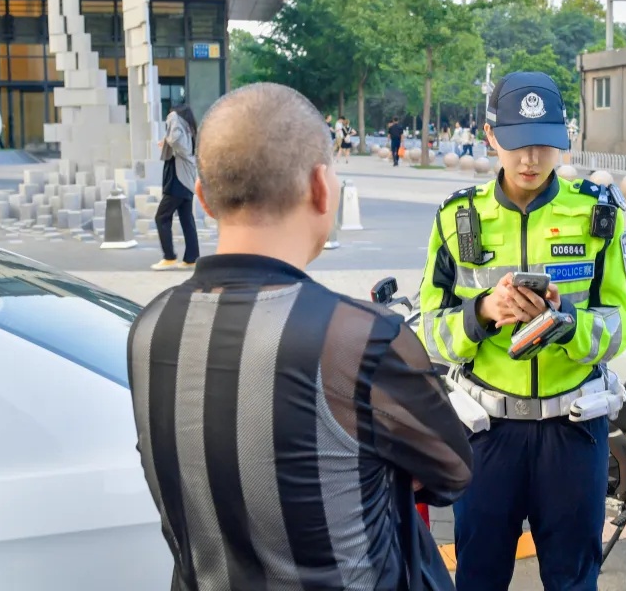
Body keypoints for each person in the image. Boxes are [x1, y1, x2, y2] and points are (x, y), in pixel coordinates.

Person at [128, 82, 472, 591]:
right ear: (320, 187)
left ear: (201, 197)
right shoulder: (360, 339)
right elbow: (453, 470)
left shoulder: (150, 327)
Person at [417, 71, 626, 591]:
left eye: (544, 144)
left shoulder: (596, 214)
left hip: (574, 431)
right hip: (487, 434)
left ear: (564, 139)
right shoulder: (457, 217)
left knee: (573, 579)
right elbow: (429, 330)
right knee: (479, 577)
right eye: (517, 143)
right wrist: (482, 312)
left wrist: (569, 324)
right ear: (490, 136)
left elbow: (620, 325)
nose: (531, 159)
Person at [151, 104, 200, 271]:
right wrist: (166, 142)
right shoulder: (190, 129)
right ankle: (192, 258)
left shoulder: (176, 121)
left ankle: (169, 257)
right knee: (186, 219)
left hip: (178, 179)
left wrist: (172, 119)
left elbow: (175, 140)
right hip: (185, 178)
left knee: (162, 217)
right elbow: (177, 143)